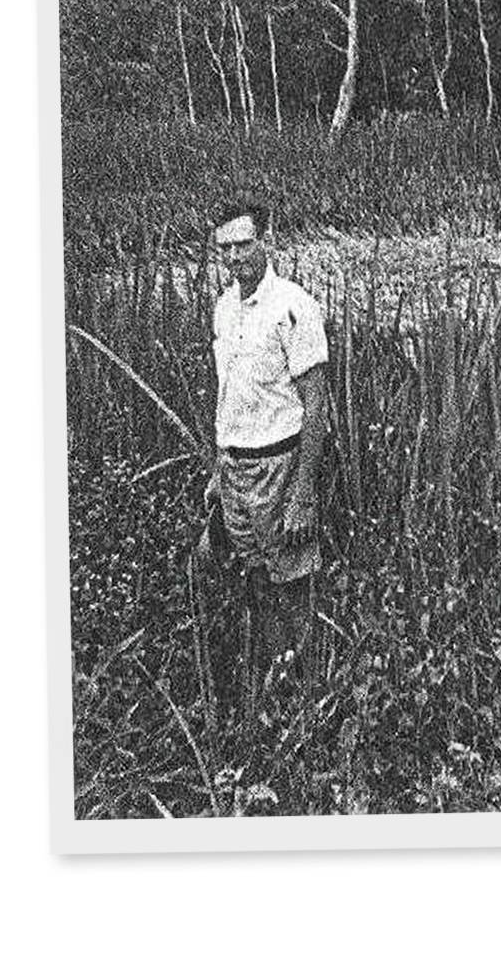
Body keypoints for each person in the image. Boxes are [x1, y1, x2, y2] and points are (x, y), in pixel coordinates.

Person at [204, 193, 328, 675]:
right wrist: (220, 469)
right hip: (236, 468)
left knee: (292, 581)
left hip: (280, 466)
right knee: (252, 575)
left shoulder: (293, 307)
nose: (234, 258)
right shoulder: (223, 309)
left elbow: (316, 405)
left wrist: (302, 493)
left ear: (266, 241)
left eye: (243, 244)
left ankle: (305, 683)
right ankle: (270, 678)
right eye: (225, 249)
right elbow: (228, 396)